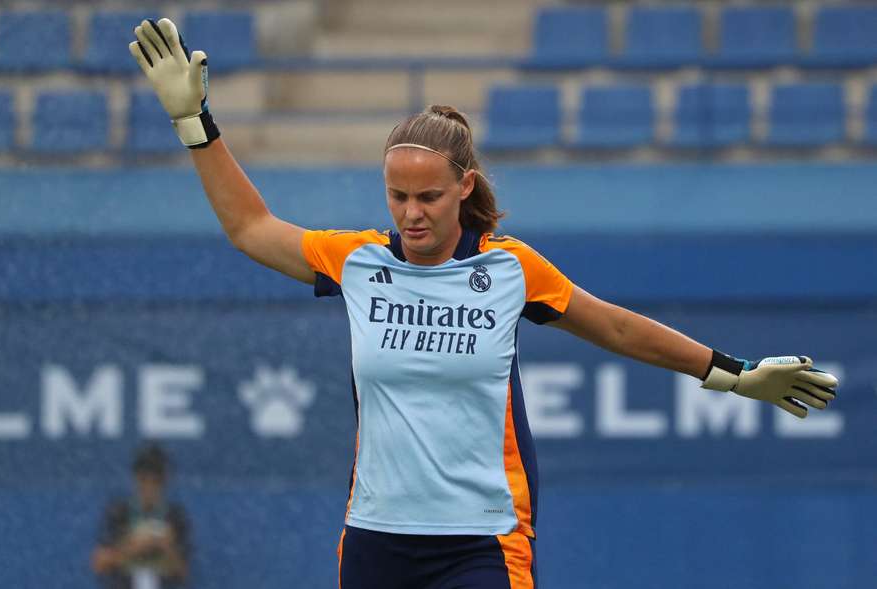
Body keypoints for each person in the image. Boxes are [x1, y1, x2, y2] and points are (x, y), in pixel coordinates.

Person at [128, 18, 839, 588]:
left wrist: (734, 372)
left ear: (465, 187)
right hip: (376, 537)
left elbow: (618, 327)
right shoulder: (358, 263)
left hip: (482, 542)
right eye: (398, 196)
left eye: (428, 196)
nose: (412, 212)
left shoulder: (510, 269)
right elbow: (251, 227)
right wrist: (195, 122)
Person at [91, 443, 191, 589]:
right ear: (135, 479)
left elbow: (184, 572)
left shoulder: (175, 516)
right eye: (144, 480)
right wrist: (132, 548)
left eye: (156, 481)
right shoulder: (119, 512)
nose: (149, 488)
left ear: (165, 482)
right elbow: (99, 563)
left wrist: (168, 547)